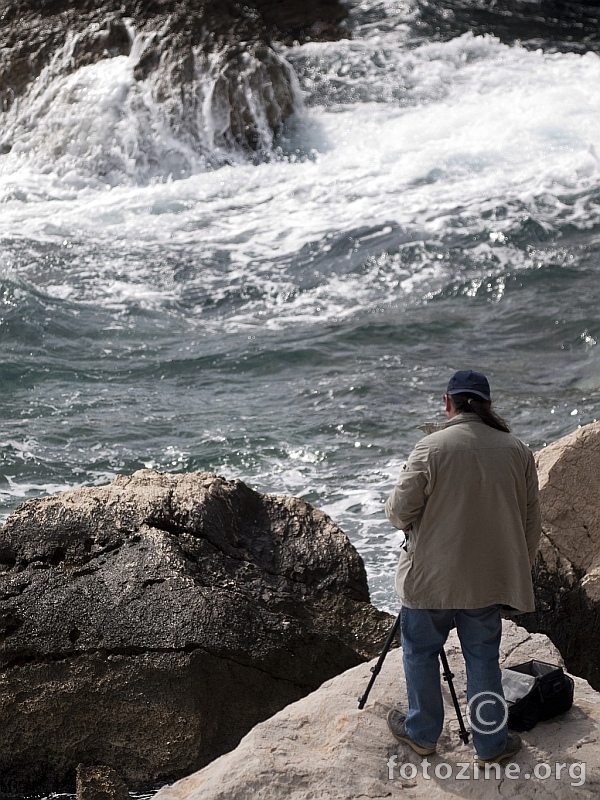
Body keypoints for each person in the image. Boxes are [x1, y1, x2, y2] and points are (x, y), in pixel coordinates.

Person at [385, 369, 541, 765]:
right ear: (487, 405)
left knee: (420, 652)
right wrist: (514, 575)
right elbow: (530, 526)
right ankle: (490, 744)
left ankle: (422, 734)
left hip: (430, 581)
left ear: (447, 402)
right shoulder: (518, 450)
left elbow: (398, 514)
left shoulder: (429, 447)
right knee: (483, 658)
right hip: (488, 580)